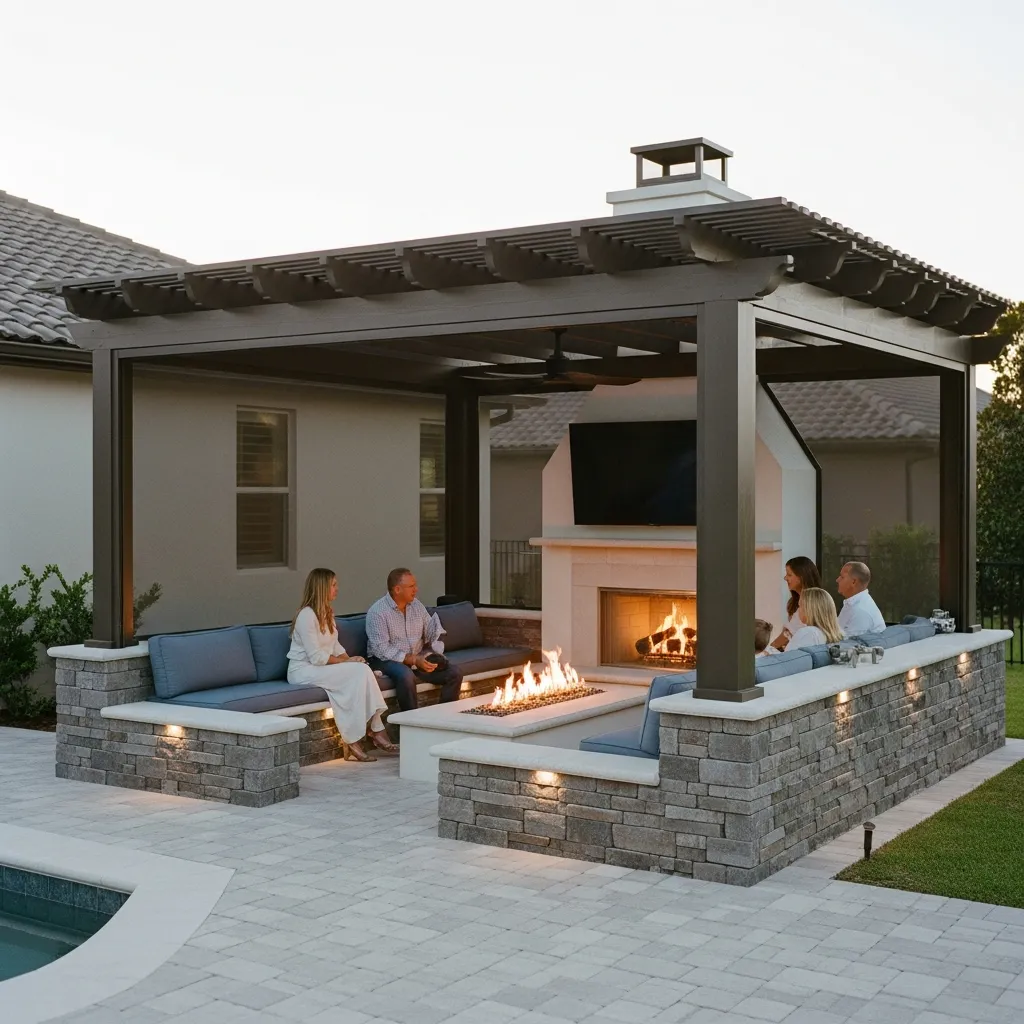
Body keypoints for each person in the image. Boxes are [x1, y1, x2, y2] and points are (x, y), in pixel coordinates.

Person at [287, 567, 396, 763]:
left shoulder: (327, 613)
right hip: (303, 670)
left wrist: (353, 660)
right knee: (360, 671)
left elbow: (335, 646)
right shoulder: (306, 616)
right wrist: (348, 663)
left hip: (320, 668)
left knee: (362, 670)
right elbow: (317, 657)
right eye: (333, 585)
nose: (337, 589)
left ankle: (367, 733)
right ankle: (367, 733)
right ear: (322, 587)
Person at [365, 568, 464, 711]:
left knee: (454, 673)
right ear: (397, 589)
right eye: (411, 586)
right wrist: (413, 660)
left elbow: (430, 630)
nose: (416, 589)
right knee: (405, 675)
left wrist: (434, 642)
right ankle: (410, 720)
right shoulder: (377, 612)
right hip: (384, 660)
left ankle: (444, 717)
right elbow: (381, 649)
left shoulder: (416, 605)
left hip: (416, 657)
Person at [770, 556, 821, 651]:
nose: (785, 578)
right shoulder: (794, 602)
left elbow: (787, 634)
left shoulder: (813, 603)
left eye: (789, 575)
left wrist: (768, 650)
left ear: (801, 577)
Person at [836, 561, 886, 638]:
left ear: (854, 582)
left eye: (842, 577)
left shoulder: (861, 611)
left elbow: (847, 643)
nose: (837, 580)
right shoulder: (852, 603)